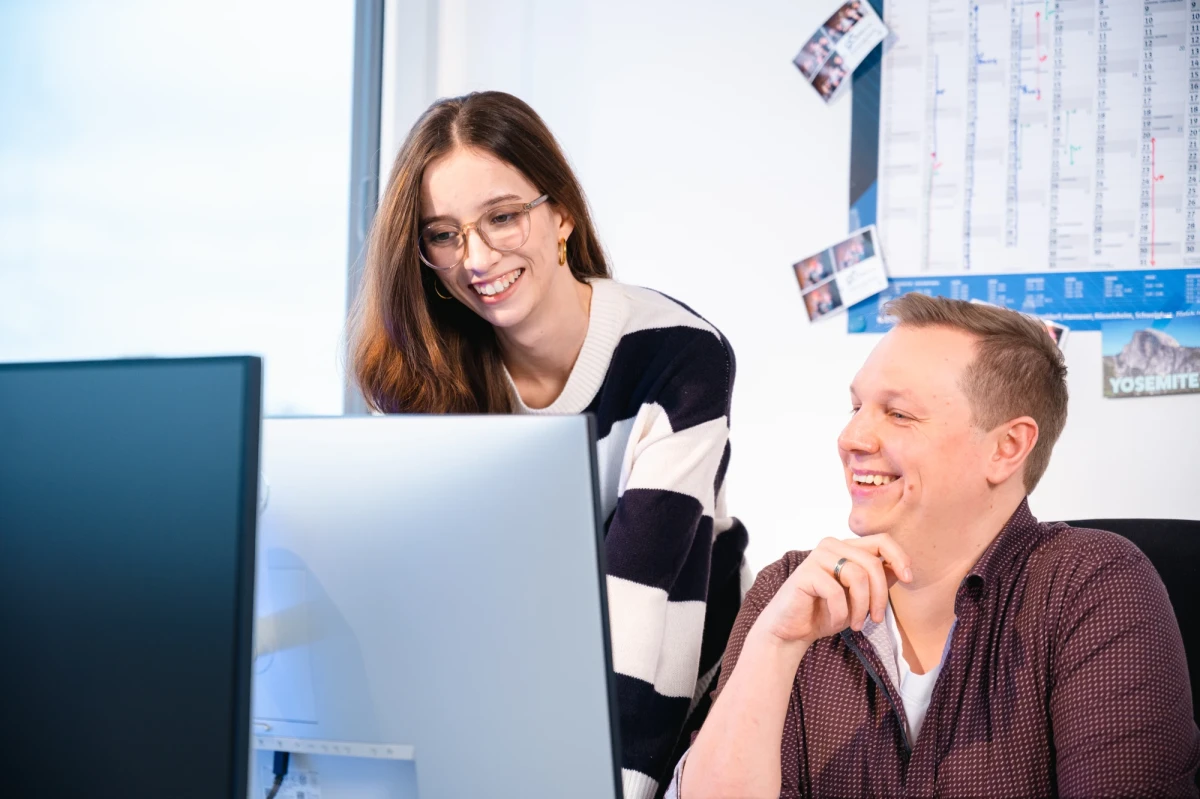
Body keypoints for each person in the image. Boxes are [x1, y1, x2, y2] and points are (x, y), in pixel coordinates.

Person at [348, 91, 750, 799]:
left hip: (673, 711)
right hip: (520, 714)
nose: (475, 258)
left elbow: (642, 615)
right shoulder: (430, 379)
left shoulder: (678, 356)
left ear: (560, 212)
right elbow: (436, 605)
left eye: (501, 217)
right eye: (443, 234)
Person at [671, 294, 1200, 797]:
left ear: (1006, 447)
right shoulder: (788, 592)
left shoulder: (1092, 585)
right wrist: (775, 646)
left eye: (898, 414)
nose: (852, 438)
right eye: (856, 407)